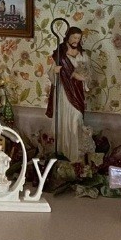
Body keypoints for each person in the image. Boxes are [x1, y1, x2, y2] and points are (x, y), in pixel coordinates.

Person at [46, 26, 90, 162]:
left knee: (76, 118)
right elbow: (51, 72)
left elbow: (88, 74)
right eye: (74, 37)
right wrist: (55, 71)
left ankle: (75, 157)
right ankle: (62, 152)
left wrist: (83, 78)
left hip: (77, 92)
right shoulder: (60, 54)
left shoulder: (83, 55)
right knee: (63, 120)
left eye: (79, 38)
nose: (76, 40)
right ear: (68, 37)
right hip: (63, 92)